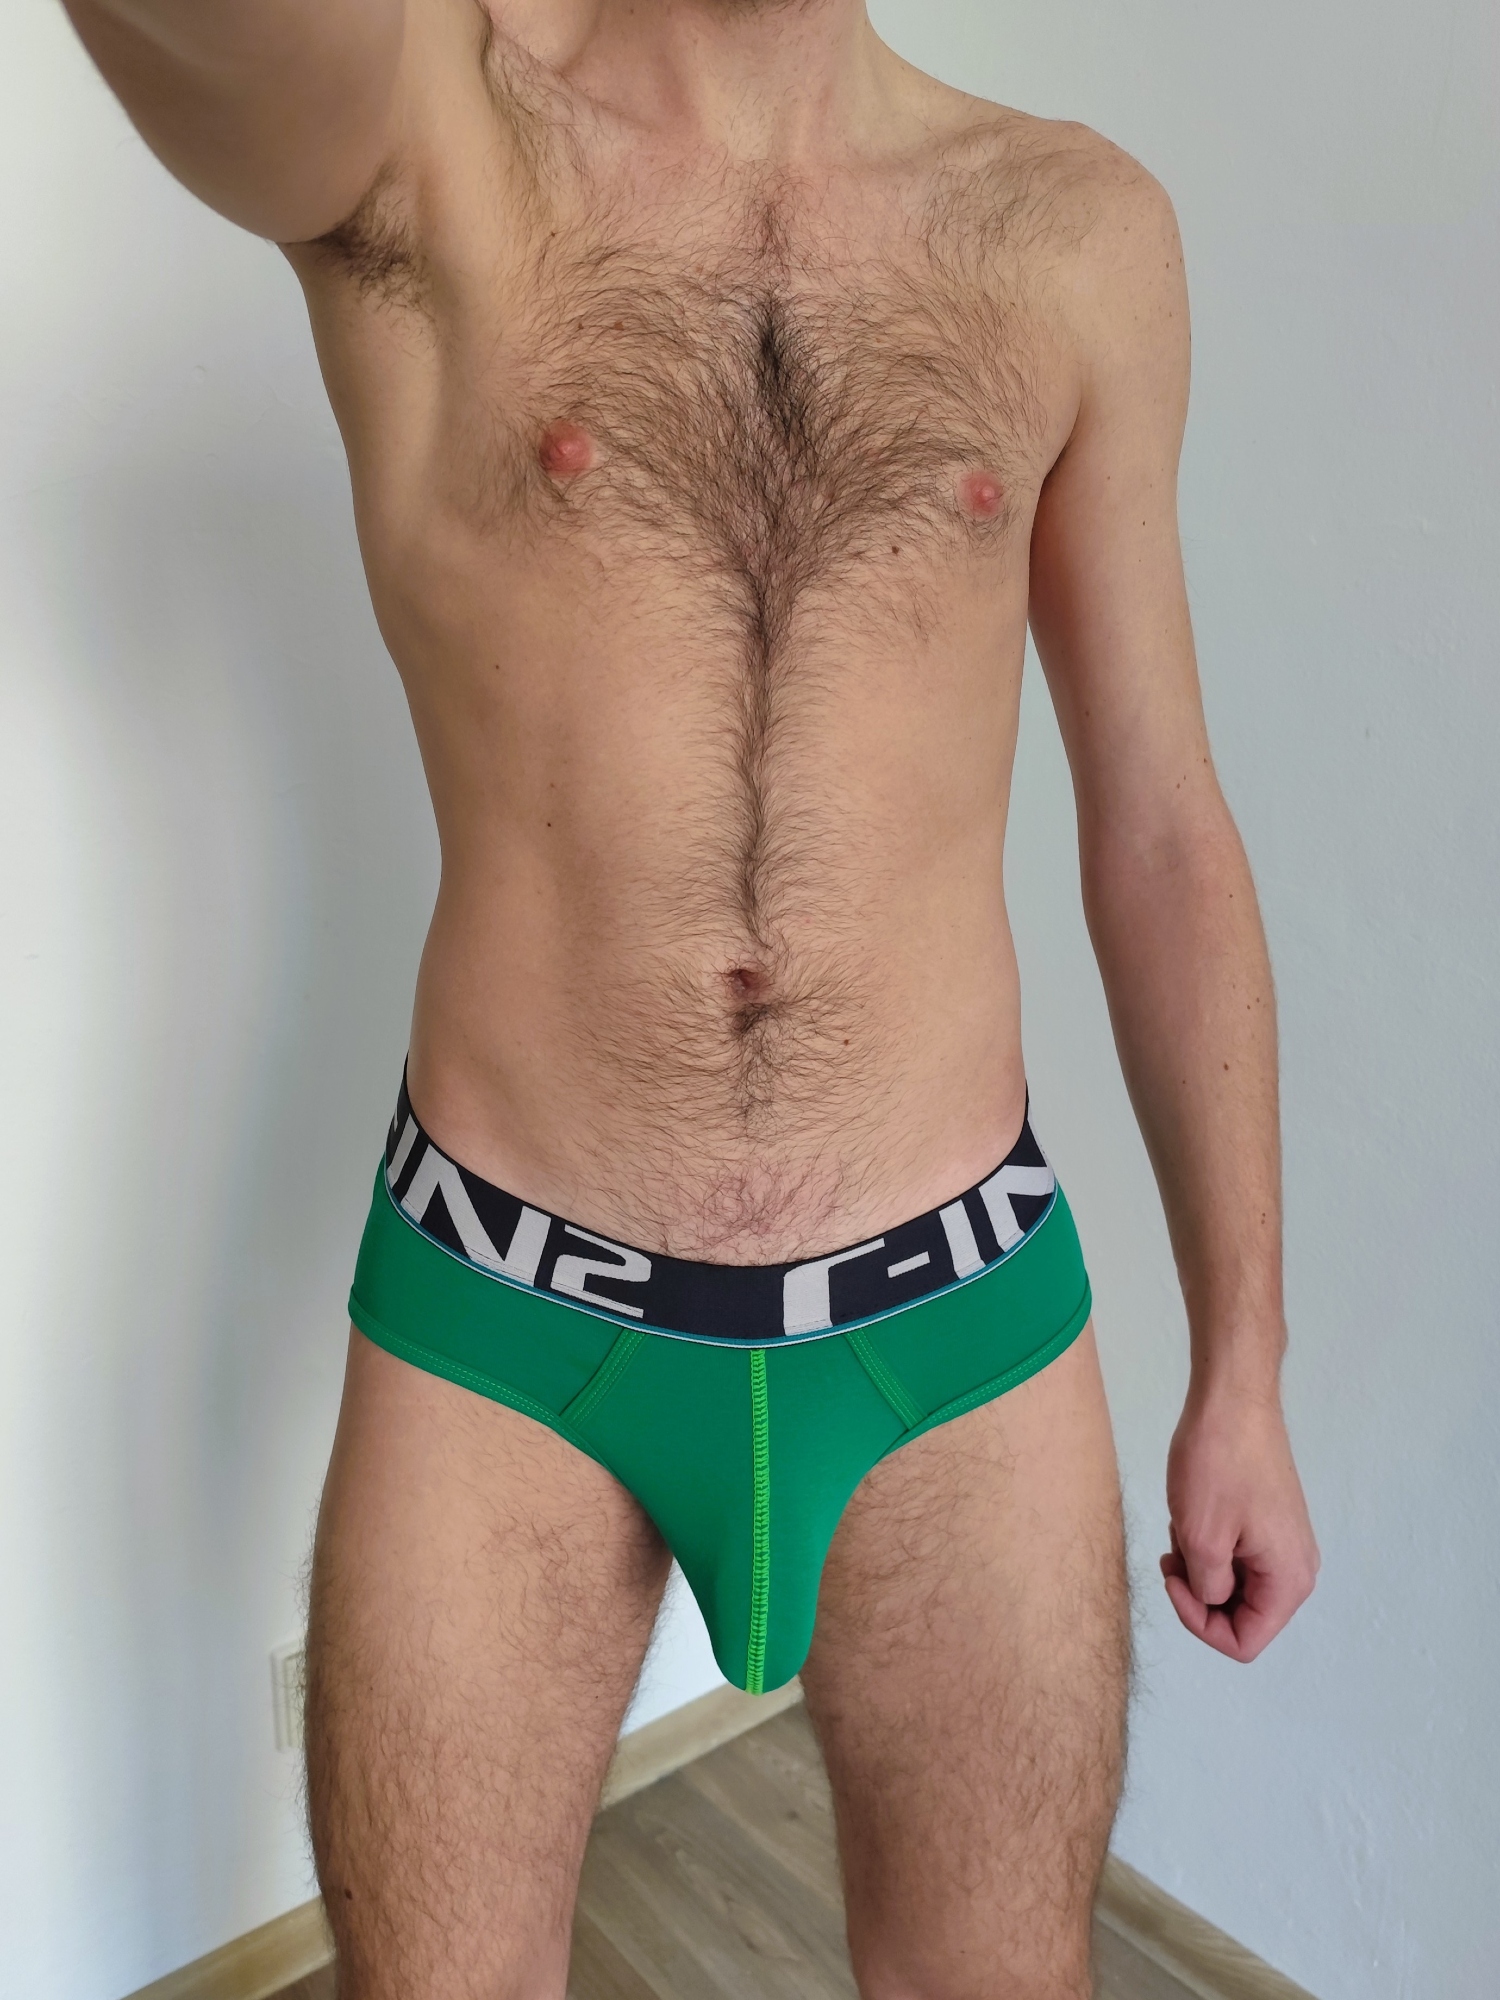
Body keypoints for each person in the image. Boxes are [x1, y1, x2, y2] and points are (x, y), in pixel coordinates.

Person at [61, 1, 1319, 1993]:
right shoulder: (435, 130)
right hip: (512, 1317)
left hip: (954, 1319)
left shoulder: (1075, 230)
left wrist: (1243, 1359)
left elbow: (1161, 825)